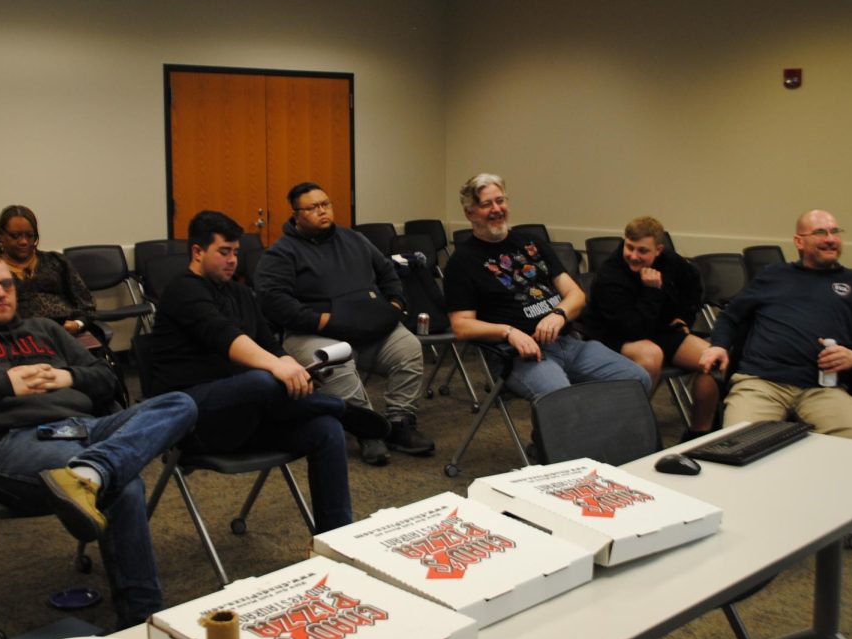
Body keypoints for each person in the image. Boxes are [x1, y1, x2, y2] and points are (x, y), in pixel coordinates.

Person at [0, 253, 197, 627]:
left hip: (86, 428)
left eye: (7, 284)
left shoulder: (44, 329)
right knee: (123, 488)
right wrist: (2, 385)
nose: (1, 293)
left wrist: (69, 379)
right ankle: (141, 617)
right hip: (10, 442)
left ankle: (92, 471)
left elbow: (107, 378)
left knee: (180, 403)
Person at [147, 211, 390, 532]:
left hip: (251, 415)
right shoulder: (182, 291)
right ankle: (339, 406)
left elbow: (270, 347)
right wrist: (278, 368)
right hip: (195, 419)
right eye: (223, 252)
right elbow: (223, 336)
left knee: (326, 430)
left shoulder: (240, 294)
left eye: (235, 252)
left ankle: (335, 539)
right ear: (197, 252)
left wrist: (299, 371)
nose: (233, 260)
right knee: (263, 380)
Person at [444, 174, 651, 443]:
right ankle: (552, 448)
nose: (496, 209)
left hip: (569, 344)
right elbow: (461, 324)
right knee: (561, 400)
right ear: (470, 212)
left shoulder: (531, 244)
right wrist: (509, 332)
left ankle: (599, 441)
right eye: (486, 204)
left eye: (500, 200)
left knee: (637, 379)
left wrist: (559, 314)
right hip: (519, 355)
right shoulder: (462, 262)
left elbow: (575, 294)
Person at [255, 182, 434, 466]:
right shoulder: (281, 253)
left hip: (371, 327)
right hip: (313, 333)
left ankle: (400, 423)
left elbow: (388, 271)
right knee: (335, 362)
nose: (322, 211)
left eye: (325, 204)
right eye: (313, 207)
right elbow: (274, 302)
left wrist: (396, 304)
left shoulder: (354, 239)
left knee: (409, 348)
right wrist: (321, 320)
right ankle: (369, 431)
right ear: (296, 214)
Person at [700, 210, 852, 441]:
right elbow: (731, 316)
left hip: (823, 389)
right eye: (820, 232)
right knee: (738, 445)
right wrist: (719, 345)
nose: (831, 239)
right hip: (762, 383)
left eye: (835, 232)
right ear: (799, 242)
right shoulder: (773, 275)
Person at [580, 216, 718, 440]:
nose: (633, 256)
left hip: (658, 328)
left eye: (642, 251)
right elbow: (633, 329)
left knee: (711, 359)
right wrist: (652, 291)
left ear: (658, 250)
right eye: (629, 247)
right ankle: (626, 433)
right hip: (615, 335)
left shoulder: (671, 261)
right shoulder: (610, 275)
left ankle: (700, 433)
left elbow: (693, 285)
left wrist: (684, 318)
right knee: (651, 355)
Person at [0, 205, 95, 336]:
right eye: (15, 236)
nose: (24, 241)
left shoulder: (56, 261)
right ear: (0, 235)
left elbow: (87, 305)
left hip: (67, 334)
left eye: (30, 235)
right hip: (19, 338)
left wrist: (78, 323)